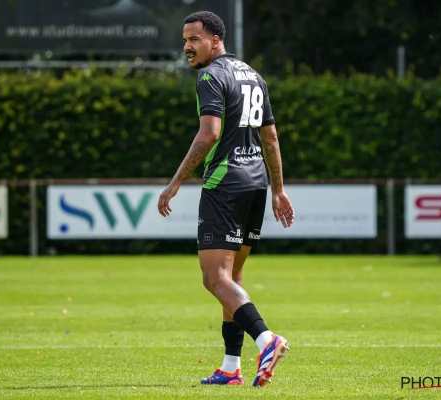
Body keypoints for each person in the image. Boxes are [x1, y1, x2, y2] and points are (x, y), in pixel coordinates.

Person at [157, 10, 295, 387]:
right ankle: (231, 367)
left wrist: (175, 182)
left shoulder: (210, 76)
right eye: (184, 40)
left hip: (225, 183)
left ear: (215, 40)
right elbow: (270, 137)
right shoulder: (254, 76)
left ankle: (266, 340)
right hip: (256, 185)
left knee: (214, 278)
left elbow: (209, 133)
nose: (187, 47)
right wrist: (278, 189)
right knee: (232, 277)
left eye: (194, 39)